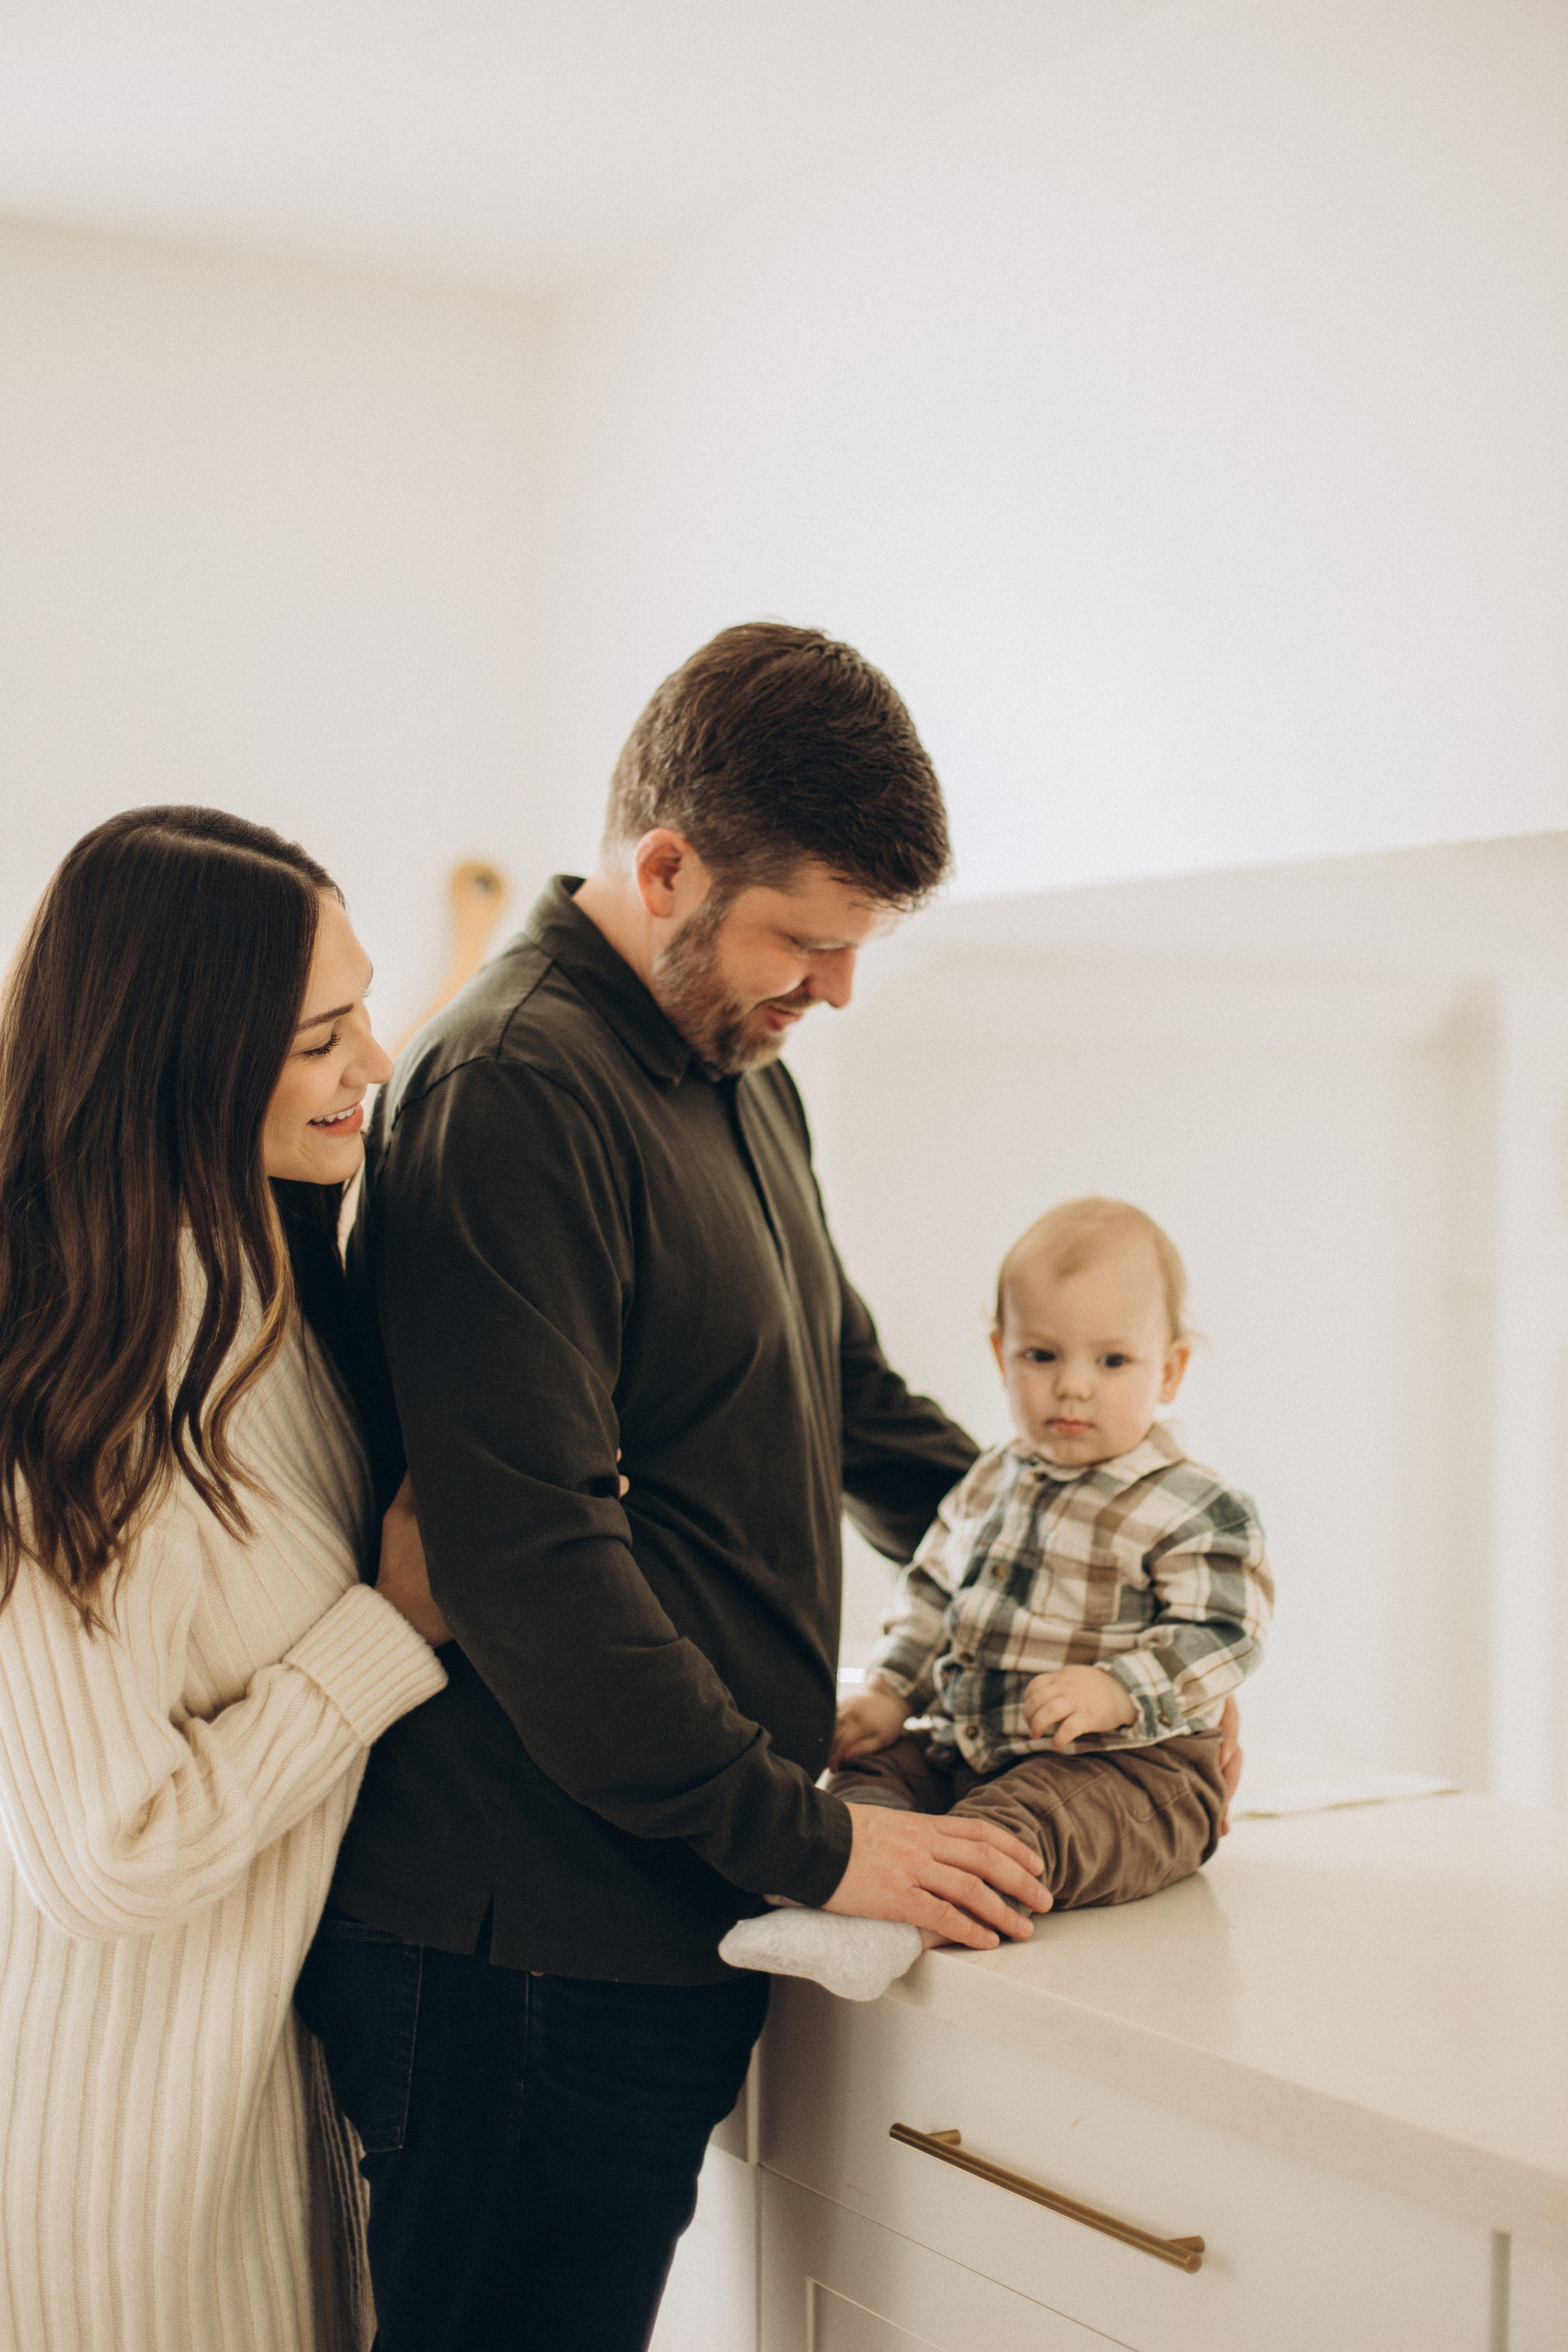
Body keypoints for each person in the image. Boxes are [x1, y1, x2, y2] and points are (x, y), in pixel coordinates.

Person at [297, 622, 1054, 2352]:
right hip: (517, 1960)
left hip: (654, 1916)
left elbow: (851, 1406)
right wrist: (815, 1843)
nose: (836, 990)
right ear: (664, 869)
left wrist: (1098, 1587)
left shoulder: (737, 1072)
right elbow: (533, 1564)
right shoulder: (512, 1092)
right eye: (809, 941)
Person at [0, 808, 453, 2352]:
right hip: (111, 2169)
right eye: (321, 1038)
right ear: (183, 1058)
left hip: (250, 2109)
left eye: (363, 1009)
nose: (373, 1064)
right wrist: (384, 1633)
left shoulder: (255, 1283)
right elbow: (106, 1855)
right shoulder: (82, 1392)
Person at [722, 1197, 1272, 2002]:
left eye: (1113, 1362)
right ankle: (835, 1875)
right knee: (880, 1771)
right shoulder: (992, 1479)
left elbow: (1225, 1631)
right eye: (1042, 1356)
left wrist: (1120, 1688)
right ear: (1000, 1355)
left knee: (1034, 1814)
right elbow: (934, 1593)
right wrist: (890, 1687)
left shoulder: (1192, 1505)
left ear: (1171, 1369)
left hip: (1130, 1772)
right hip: (972, 1746)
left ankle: (901, 1924)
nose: (1073, 1387)